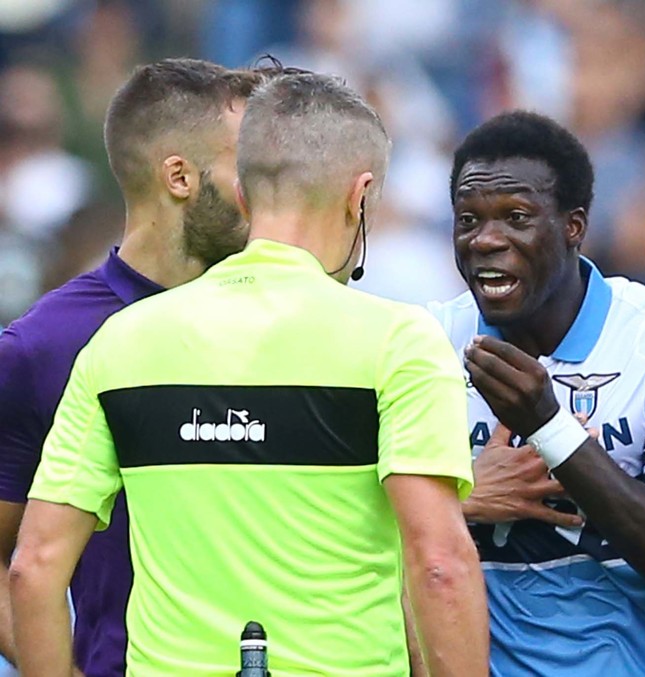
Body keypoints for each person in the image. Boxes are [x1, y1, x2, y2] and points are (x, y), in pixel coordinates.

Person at [11, 73, 487, 676]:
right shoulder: (399, 342)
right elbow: (438, 565)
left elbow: (34, 566)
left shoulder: (121, 341)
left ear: (241, 194)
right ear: (360, 196)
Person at [431, 110, 645, 675]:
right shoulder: (426, 344)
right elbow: (341, 529)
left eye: (517, 217)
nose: (486, 240)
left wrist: (550, 427)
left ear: (573, 226)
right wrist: (459, 499)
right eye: (468, 219)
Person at [0, 57, 261, 676]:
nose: (268, 191)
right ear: (180, 177)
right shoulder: (44, 346)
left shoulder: (290, 317)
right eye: (248, 169)